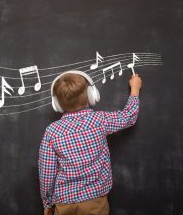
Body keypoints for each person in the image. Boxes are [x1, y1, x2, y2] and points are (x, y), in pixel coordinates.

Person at [38, 70, 142, 215]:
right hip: (95, 200)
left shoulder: (52, 132)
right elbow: (129, 116)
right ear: (91, 95)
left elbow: (46, 172)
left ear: (57, 103)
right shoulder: (99, 120)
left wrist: (48, 202)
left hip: (64, 201)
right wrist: (135, 89)